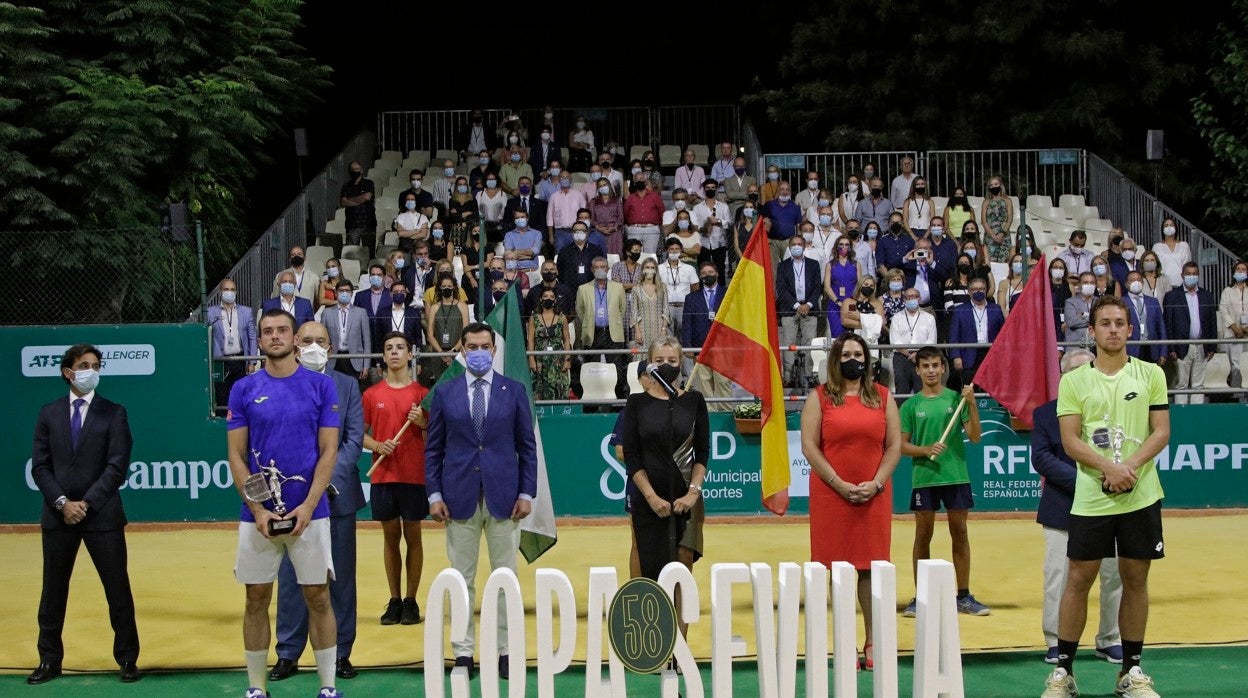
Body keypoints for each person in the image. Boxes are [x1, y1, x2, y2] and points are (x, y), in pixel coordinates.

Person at [1041, 295, 1170, 698]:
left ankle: (1130, 672)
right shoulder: (1074, 380)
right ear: (1092, 331)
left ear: (1130, 330)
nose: (1113, 329)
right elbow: (1069, 440)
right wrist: (1109, 469)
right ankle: (1063, 673)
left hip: (1141, 496)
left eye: (1119, 322)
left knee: (1135, 580)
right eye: (1105, 323)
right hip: (1091, 499)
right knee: (1078, 580)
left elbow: (1161, 432)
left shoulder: (1151, 374)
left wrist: (1127, 468)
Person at [226, 309, 342, 698]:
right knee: (255, 597)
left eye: (282, 330)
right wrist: (259, 509)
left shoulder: (322, 387)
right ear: (258, 341)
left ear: (294, 339)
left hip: (311, 513)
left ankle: (327, 687)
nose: (274, 336)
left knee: (318, 596)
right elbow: (238, 457)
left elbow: (328, 453)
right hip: (256, 516)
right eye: (267, 332)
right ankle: (256, 689)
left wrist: (308, 506)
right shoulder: (243, 390)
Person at [426, 322, 537, 680]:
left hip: (505, 496)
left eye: (484, 346)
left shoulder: (514, 390)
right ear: (461, 349)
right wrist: (434, 493)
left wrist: (526, 492)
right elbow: (434, 449)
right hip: (457, 496)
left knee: (505, 577)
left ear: (493, 350)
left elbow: (527, 447)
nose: (478, 351)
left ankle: (506, 650)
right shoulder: (445, 393)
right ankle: (463, 652)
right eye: (471, 345)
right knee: (461, 578)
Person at [28, 344, 140, 686]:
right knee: (53, 591)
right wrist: (62, 502)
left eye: (95, 365)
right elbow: (41, 465)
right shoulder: (48, 413)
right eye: (84, 365)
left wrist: (86, 503)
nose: (91, 370)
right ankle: (49, 660)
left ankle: (127, 659)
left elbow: (117, 465)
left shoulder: (114, 412)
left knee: (117, 589)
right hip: (57, 516)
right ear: (68, 372)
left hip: (102, 516)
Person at [270, 322, 366, 683]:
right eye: (306, 340)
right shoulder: (280, 384)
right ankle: (288, 652)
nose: (313, 346)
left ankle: (341, 652)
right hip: (290, 501)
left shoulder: (347, 386)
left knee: (339, 577)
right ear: (296, 343)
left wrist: (322, 482)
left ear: (331, 346)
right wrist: (297, 487)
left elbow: (354, 439)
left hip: (336, 497)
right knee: (291, 576)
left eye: (320, 341)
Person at [800, 332, 901, 671]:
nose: (852, 360)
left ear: (868, 358)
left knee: (870, 568)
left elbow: (894, 446)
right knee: (837, 571)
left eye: (858, 353)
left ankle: (873, 640)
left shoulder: (884, 397)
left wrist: (876, 483)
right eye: (845, 355)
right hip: (832, 495)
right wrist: (839, 484)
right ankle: (844, 640)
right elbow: (810, 446)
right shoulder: (820, 397)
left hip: (874, 496)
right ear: (835, 360)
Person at [1032, 348, 1123, 667]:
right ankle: (1057, 640)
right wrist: (1085, 480)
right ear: (1064, 377)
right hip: (1062, 507)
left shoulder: (1112, 410)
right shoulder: (1045, 413)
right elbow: (1041, 458)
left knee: (1113, 575)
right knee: (1058, 576)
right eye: (1077, 372)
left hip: (1108, 504)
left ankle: (1109, 638)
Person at [898, 346, 988, 617]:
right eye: (926, 367)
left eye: (936, 365)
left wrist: (971, 404)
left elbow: (974, 436)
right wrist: (925, 450)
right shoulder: (911, 405)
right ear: (918, 370)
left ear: (943, 368)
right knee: (922, 536)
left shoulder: (956, 400)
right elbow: (901, 446)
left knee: (959, 533)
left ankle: (963, 595)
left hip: (956, 475)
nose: (931, 371)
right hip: (924, 478)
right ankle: (921, 596)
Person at [620, 336, 710, 583]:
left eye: (672, 359)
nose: (666, 364)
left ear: (681, 363)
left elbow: (702, 452)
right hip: (649, 500)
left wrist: (693, 492)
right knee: (647, 563)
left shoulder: (695, 401)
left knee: (683, 563)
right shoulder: (636, 403)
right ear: (649, 364)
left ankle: (680, 623)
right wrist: (651, 497)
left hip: (686, 498)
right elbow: (631, 455)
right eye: (659, 360)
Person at [363, 332, 430, 627]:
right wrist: (377, 446)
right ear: (383, 357)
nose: (394, 353)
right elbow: (358, 434)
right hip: (383, 475)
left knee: (413, 537)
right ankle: (394, 600)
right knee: (391, 538)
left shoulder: (422, 395)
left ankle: (411, 600)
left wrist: (422, 422)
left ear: (409, 355)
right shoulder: (371, 395)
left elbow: (434, 435)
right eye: (389, 348)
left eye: (400, 348)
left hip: (414, 475)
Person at [1163, 261, 1217, 405]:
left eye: (1194, 274)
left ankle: (1197, 416)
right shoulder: (1172, 296)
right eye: (1188, 274)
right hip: (1181, 346)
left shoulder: (1207, 296)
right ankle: (1182, 414)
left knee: (1198, 385)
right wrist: (1171, 347)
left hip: (1202, 345)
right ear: (1182, 275)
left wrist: (1212, 346)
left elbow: (1212, 321)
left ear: (1198, 275)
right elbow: (1168, 323)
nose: (1191, 277)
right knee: (1181, 384)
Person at [575, 256, 629, 398]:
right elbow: (580, 311)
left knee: (616, 368)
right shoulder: (583, 289)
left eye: (603, 267)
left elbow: (622, 309)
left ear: (607, 269)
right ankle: (593, 400)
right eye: (597, 267)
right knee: (592, 368)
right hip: (593, 333)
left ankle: (617, 401)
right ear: (592, 270)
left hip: (612, 332)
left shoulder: (618, 288)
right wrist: (591, 321)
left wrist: (612, 320)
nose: (600, 270)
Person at [777, 234, 823, 388]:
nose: (796, 246)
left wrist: (808, 304)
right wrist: (797, 305)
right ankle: (788, 377)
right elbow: (781, 290)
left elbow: (818, 286)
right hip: (790, 309)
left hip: (810, 309)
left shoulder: (813, 264)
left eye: (799, 244)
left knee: (810, 344)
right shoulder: (782, 266)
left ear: (804, 247)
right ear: (790, 248)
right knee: (789, 344)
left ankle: (810, 376)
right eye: (793, 244)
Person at [682, 261, 730, 404]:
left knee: (723, 382)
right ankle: (708, 414)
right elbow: (687, 322)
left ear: (717, 274)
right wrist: (688, 345)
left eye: (710, 272)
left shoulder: (727, 293)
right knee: (703, 384)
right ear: (700, 277)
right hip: (700, 346)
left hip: (722, 346)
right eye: (703, 274)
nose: (707, 275)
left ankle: (725, 412)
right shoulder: (691, 297)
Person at [209, 279, 258, 410]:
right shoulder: (210, 313)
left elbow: (252, 337)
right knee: (222, 398)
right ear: (220, 292)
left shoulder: (246, 312)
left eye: (232, 290)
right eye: (226, 290)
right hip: (220, 361)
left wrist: (252, 362)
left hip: (241, 360)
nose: (229, 293)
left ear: (236, 292)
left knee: (241, 398)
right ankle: (223, 427)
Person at [949, 277, 1004, 389]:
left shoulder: (996, 309)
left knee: (990, 389)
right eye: (974, 289)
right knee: (969, 390)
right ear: (969, 292)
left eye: (981, 289)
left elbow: (1002, 334)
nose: (978, 291)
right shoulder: (960, 310)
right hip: (968, 355)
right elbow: (954, 335)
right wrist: (956, 356)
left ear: (986, 290)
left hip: (990, 354)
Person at [889, 287, 937, 397]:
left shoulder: (929, 318)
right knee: (902, 391)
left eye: (914, 296)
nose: (911, 299)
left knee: (922, 391)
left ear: (919, 298)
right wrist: (908, 354)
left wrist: (918, 354)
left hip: (923, 357)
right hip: (901, 357)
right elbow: (895, 340)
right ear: (904, 299)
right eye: (908, 297)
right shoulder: (897, 317)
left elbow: (931, 341)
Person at [528, 287, 573, 400]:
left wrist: (567, 359)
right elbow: (530, 339)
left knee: (559, 387)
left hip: (558, 359)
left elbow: (567, 339)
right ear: (540, 299)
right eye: (545, 296)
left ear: (556, 300)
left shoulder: (562, 318)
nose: (549, 299)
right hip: (539, 359)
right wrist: (531, 359)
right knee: (539, 388)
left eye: (552, 297)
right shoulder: (534, 318)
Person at [424, 276, 469, 386]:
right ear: (439, 288)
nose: (446, 288)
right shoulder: (435, 307)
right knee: (440, 385)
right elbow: (430, 334)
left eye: (449, 286)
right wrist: (441, 353)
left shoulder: (462, 306)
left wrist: (452, 352)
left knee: (458, 385)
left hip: (457, 353)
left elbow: (466, 332)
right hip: (438, 354)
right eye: (444, 286)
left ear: (454, 287)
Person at [323, 279, 371, 381]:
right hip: (333, 359)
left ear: (352, 293)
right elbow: (322, 340)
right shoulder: (327, 313)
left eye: (347, 291)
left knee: (353, 392)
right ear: (336, 293)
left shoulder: (361, 312)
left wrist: (366, 366)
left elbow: (367, 341)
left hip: (355, 359)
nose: (344, 293)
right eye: (341, 291)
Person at [1218, 260, 1248, 392]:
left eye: (1243, 269)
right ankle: (1236, 393)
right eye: (1238, 269)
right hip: (1232, 334)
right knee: (1235, 366)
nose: (1240, 272)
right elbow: (1223, 310)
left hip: (1247, 334)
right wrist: (1234, 327)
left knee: (1246, 365)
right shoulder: (1227, 291)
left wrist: (1246, 329)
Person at [630, 257, 670, 350]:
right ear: (643, 269)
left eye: (652, 268)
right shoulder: (636, 289)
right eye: (647, 267)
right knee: (642, 356)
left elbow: (666, 309)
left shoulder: (662, 288)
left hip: (659, 328)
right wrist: (637, 331)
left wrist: (664, 329)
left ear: (656, 270)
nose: (650, 270)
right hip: (642, 329)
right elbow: (634, 312)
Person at [824, 236, 859, 338]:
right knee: (837, 336)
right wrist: (838, 301)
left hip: (852, 304)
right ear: (837, 246)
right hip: (835, 305)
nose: (844, 246)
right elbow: (827, 286)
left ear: (850, 248)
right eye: (841, 244)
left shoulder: (856, 265)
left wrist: (852, 302)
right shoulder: (830, 265)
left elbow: (859, 285)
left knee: (852, 335)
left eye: (847, 244)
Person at [340, 162, 376, 247]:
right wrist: (360, 199)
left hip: (368, 224)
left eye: (356, 169)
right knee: (351, 251)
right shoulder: (346, 186)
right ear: (349, 171)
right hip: (352, 224)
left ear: (361, 171)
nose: (354, 171)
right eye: (352, 169)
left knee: (369, 251)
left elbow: (367, 197)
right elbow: (343, 202)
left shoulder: (368, 183)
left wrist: (349, 200)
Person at [981, 175, 1014, 263]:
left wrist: (1002, 234)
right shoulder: (986, 202)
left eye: (996, 184)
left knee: (1005, 261)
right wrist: (993, 236)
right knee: (990, 262)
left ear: (1001, 185)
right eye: (991, 185)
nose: (993, 187)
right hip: (990, 237)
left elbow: (1009, 219)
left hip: (1004, 236)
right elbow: (983, 221)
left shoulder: (1008, 200)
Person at [1151, 217, 1191, 284]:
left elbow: (1188, 265)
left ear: (1175, 228)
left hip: (1181, 283)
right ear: (1162, 229)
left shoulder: (1184, 245)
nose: (1169, 227)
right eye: (1166, 226)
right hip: (1163, 284)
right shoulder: (1156, 247)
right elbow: (1154, 267)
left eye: (1171, 225)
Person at [1065, 272, 1099, 348]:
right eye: (1085, 282)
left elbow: (1102, 322)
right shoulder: (1070, 302)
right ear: (1079, 285)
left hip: (1096, 345)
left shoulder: (1101, 302)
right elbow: (1071, 322)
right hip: (1075, 344)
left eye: (1092, 282)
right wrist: (1093, 319)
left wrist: (1083, 315)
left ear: (1096, 285)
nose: (1089, 285)